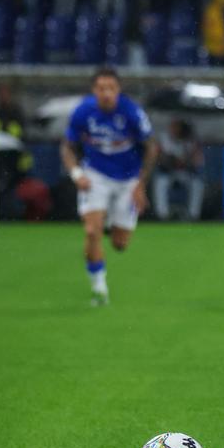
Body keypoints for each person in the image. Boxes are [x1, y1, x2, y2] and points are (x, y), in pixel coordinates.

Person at [60, 67, 157, 305]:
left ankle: (111, 222)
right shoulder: (83, 112)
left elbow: (152, 147)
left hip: (128, 179)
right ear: (94, 90)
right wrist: (76, 173)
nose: (106, 93)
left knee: (119, 244)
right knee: (91, 232)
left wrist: (140, 185)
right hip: (96, 175)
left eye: (111, 88)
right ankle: (99, 288)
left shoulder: (131, 112)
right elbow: (67, 146)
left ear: (118, 90)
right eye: (101, 88)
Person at [152, 118, 204, 221]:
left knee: (197, 184)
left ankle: (192, 215)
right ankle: (163, 215)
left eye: (176, 127)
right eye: (172, 127)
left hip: (186, 173)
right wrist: (171, 160)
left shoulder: (191, 140)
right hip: (167, 172)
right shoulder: (164, 138)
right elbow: (159, 158)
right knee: (160, 183)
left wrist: (189, 160)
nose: (173, 130)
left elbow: (199, 162)